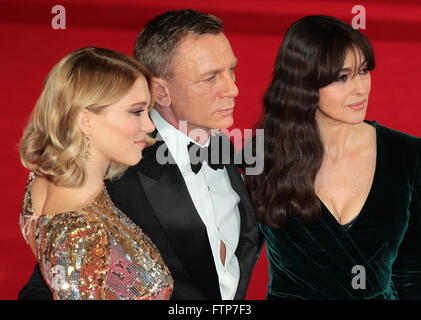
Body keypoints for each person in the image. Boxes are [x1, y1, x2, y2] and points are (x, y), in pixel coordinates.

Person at [18, 9, 260, 300]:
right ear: (161, 92)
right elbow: (47, 284)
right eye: (210, 78)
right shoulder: (114, 169)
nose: (233, 89)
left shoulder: (222, 143)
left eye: (231, 70)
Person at [248, 15, 421, 300]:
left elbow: (413, 271)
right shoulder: (262, 156)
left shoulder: (408, 154)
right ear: (303, 84)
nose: (360, 89)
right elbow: (232, 264)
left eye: (363, 72)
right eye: (342, 77)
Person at [18, 46, 173, 300]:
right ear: (86, 120)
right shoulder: (82, 231)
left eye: (148, 110)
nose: (149, 125)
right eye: (136, 111)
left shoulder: (43, 177)